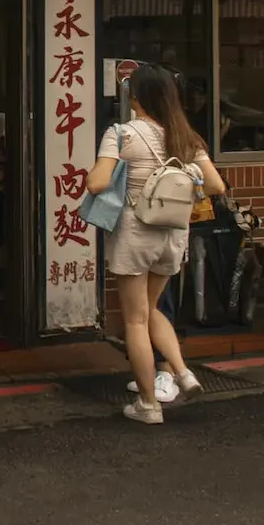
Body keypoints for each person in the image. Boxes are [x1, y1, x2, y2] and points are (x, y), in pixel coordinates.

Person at [87, 64, 227, 424]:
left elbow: (98, 183)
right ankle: (182, 372)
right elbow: (216, 187)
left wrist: (99, 173)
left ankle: (149, 405)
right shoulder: (185, 136)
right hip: (172, 235)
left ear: (136, 97)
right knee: (150, 311)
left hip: (136, 233)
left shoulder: (121, 134)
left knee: (134, 319)